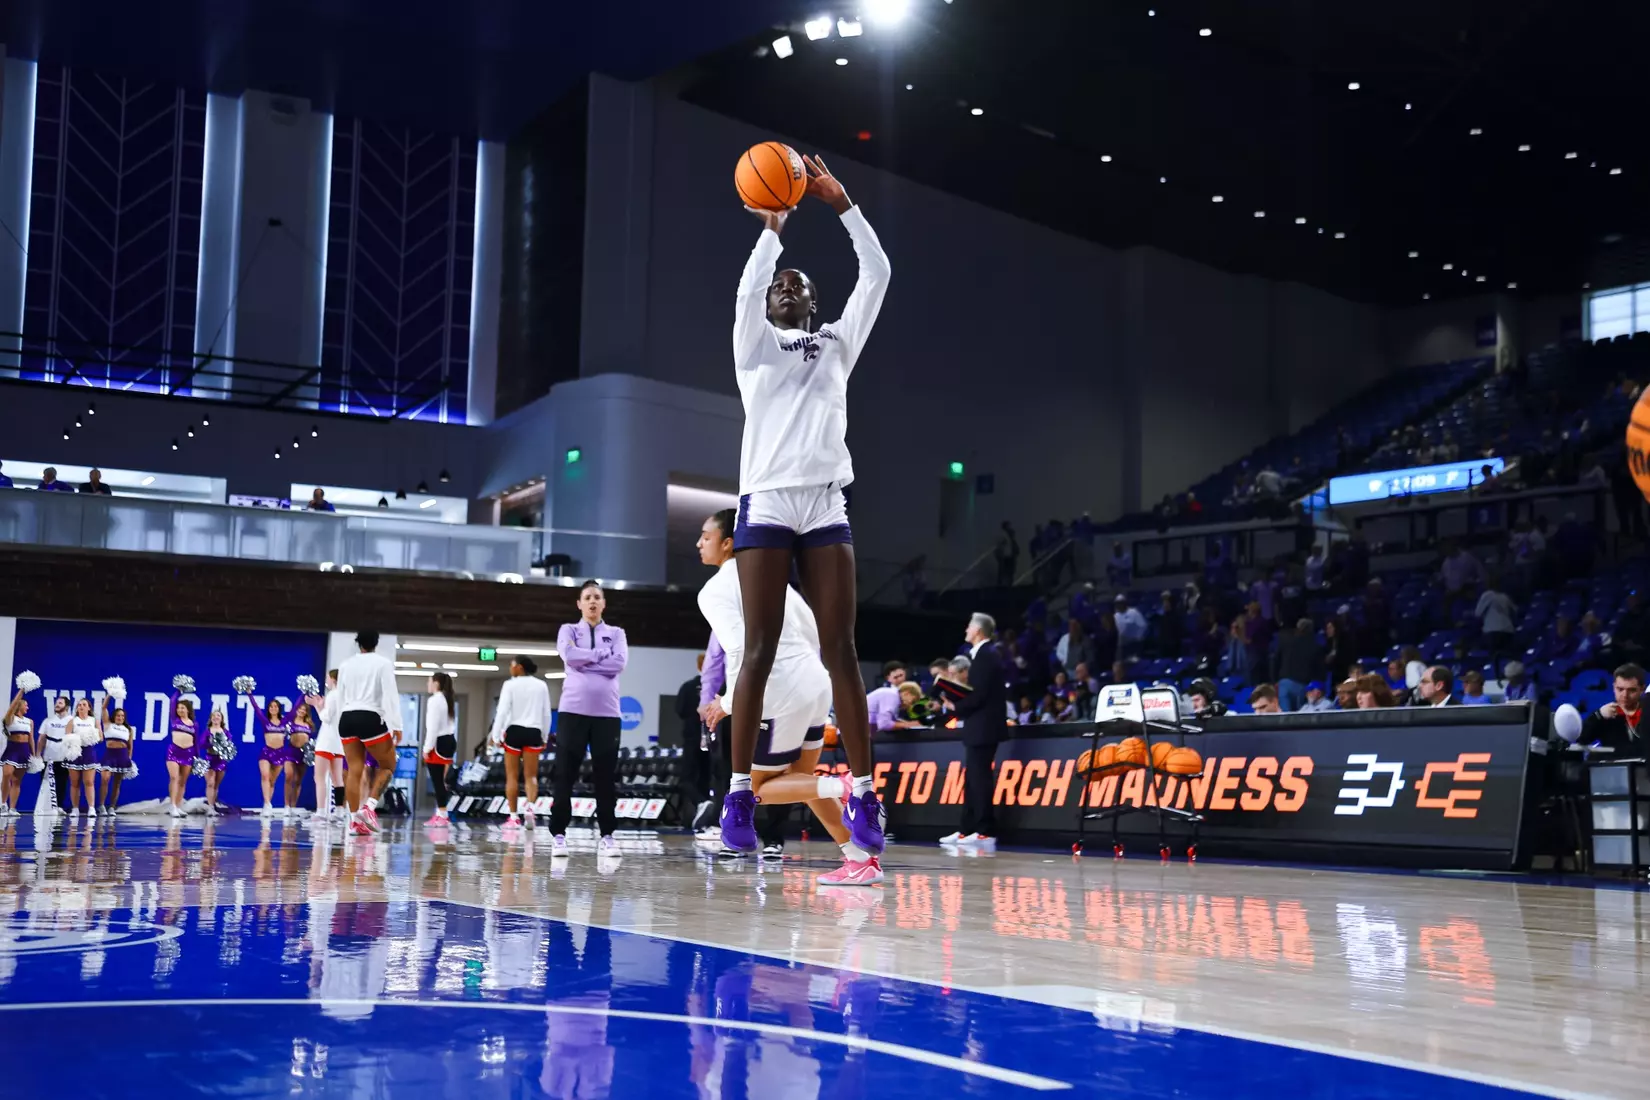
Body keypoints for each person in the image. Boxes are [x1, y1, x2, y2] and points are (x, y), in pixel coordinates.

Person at [723, 153, 890, 858]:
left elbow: (877, 273)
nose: (788, 286)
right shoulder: (754, 347)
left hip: (824, 501)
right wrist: (774, 233)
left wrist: (843, 204)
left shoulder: (839, 344)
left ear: (814, 303)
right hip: (765, 500)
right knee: (756, 651)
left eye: (799, 283)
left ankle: (864, 796)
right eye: (780, 285)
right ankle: (736, 797)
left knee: (840, 652)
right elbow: (748, 290)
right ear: (769, 303)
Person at [694, 509, 873, 883]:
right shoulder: (774, 579)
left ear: (727, 543)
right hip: (815, 680)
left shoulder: (713, 591)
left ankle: (848, 788)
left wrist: (726, 703)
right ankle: (858, 859)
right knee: (802, 780)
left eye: (705, 536)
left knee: (755, 789)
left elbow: (744, 650)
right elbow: (812, 631)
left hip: (776, 690)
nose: (698, 543)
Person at [550, 583, 628, 857]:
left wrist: (584, 661)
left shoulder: (617, 633)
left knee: (605, 776)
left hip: (607, 715)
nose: (592, 602)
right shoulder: (568, 631)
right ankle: (559, 834)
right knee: (564, 774)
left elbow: (619, 663)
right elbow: (568, 655)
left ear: (603, 603)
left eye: (597, 597)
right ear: (579, 604)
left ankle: (607, 835)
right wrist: (597, 655)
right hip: (573, 712)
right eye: (587, 598)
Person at [312, 632, 401, 836]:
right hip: (370, 716)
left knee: (354, 770)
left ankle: (354, 821)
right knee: (388, 765)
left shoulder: (345, 665)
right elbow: (390, 695)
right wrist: (396, 725)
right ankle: (368, 808)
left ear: (357, 643)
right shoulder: (383, 663)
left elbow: (342, 697)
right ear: (376, 644)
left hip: (347, 719)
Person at [939, 613, 1008, 850]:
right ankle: (966, 829)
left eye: (969, 626)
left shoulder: (987, 655)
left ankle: (985, 831)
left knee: (980, 780)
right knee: (971, 780)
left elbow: (980, 695)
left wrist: (955, 706)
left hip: (985, 727)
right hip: (976, 726)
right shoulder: (977, 656)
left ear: (978, 630)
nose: (966, 629)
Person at [490, 654, 552, 831]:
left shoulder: (509, 685)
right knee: (531, 776)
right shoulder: (541, 685)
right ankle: (530, 808)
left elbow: (502, 711)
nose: (510, 668)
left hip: (514, 731)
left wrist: (495, 736)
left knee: (511, 776)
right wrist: (545, 736)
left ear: (520, 667)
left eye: (512, 665)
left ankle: (513, 817)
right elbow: (546, 713)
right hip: (534, 731)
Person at [1580, 664, 1648, 755]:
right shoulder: (1604, 715)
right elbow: (1582, 739)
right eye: (1620, 689)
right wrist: (1598, 715)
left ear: (1642, 689)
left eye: (1631, 690)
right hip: (1613, 767)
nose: (1625, 695)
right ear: (1613, 687)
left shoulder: (1647, 712)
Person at [246, 692, 291, 817]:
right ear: (269, 709)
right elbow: (256, 708)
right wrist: (249, 694)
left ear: (279, 708)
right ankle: (267, 804)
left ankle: (268, 804)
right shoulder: (265, 721)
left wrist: (303, 694)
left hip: (280, 753)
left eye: (275, 706)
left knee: (272, 781)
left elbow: (294, 710)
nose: (273, 708)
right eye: (271, 707)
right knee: (265, 776)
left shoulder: (284, 721)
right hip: (267, 752)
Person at [422, 672, 458, 827]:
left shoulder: (435, 700)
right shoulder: (446, 699)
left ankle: (442, 814)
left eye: (429, 681)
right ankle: (441, 813)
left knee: (437, 781)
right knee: (441, 781)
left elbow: (432, 727)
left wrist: (427, 747)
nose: (427, 684)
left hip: (438, 742)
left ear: (436, 683)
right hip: (449, 740)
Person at [311, 670, 346, 823]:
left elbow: (326, 717)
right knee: (338, 779)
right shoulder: (346, 696)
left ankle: (321, 811)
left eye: (327, 677)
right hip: (339, 743)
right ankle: (339, 811)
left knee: (319, 777)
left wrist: (317, 706)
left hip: (326, 741)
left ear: (332, 679)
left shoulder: (333, 695)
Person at [162, 683, 198, 818]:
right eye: (178, 708)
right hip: (173, 751)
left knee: (183, 781)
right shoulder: (174, 719)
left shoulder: (194, 724)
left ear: (188, 710)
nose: (180, 710)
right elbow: (172, 701)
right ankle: (172, 805)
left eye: (183, 708)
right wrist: (179, 690)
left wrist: (197, 757)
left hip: (188, 753)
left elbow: (196, 743)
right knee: (174, 777)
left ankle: (178, 805)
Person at [63, 697, 102, 819]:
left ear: (89, 708)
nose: (81, 706)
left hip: (89, 752)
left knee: (89, 782)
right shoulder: (72, 721)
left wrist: (88, 737)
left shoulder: (94, 721)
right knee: (74, 782)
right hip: (75, 752)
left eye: (84, 704)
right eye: (79, 705)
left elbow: (100, 737)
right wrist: (76, 740)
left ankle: (91, 808)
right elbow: (67, 737)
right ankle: (75, 809)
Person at [1276, 618, 1322, 713]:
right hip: (1303, 686)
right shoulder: (1315, 646)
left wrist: (1274, 680)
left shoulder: (1286, 642)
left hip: (1285, 684)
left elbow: (1275, 660)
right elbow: (1319, 671)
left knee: (1284, 718)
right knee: (1301, 718)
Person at [96, 696, 133, 815]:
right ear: (114, 716)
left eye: (122, 716)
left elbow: (130, 746)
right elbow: (103, 708)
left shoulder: (128, 729)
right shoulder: (108, 724)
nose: (120, 717)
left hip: (122, 756)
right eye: (118, 715)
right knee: (105, 779)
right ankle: (101, 806)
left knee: (117, 783)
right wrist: (110, 694)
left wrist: (129, 759)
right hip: (109, 755)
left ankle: (112, 806)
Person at [2, 687, 33, 815]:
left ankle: (12, 808)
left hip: (24, 750)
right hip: (12, 748)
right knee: (7, 774)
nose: (28, 708)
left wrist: (34, 754)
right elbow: (12, 705)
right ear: (19, 705)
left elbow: (31, 739)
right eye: (26, 705)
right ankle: (3, 804)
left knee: (17, 781)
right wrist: (21, 691)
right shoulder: (10, 718)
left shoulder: (29, 721)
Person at [199, 708, 232, 817]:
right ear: (211, 719)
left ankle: (213, 805)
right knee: (210, 783)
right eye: (214, 716)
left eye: (218, 716)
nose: (215, 717)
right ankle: (210, 807)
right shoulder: (208, 731)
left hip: (221, 760)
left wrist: (224, 747)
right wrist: (210, 743)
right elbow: (201, 744)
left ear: (221, 719)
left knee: (216, 784)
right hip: (210, 758)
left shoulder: (226, 732)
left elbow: (230, 746)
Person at [1475, 578, 1518, 662]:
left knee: (1494, 659)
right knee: (1508, 658)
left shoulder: (1487, 595)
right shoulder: (1505, 597)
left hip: (1493, 631)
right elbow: (1515, 611)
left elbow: (1477, 613)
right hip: (1507, 630)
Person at [285, 701, 315, 817]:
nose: (302, 711)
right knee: (289, 776)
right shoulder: (290, 722)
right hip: (291, 751)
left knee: (298, 780)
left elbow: (311, 740)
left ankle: (293, 806)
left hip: (304, 754)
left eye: (304, 710)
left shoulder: (309, 725)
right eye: (300, 709)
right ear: (296, 710)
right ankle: (287, 805)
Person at [866, 661, 905, 734]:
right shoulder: (889, 693)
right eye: (896, 677)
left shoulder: (904, 691)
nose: (900, 679)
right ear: (888, 678)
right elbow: (884, 724)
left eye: (901, 675)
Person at [994, 522, 1018, 586]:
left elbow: (1014, 546)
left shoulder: (1010, 536)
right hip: (1004, 556)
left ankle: (1009, 583)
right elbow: (999, 546)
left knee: (1010, 571)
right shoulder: (1002, 535)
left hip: (1010, 556)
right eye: (1008, 526)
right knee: (1003, 571)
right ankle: (1001, 584)